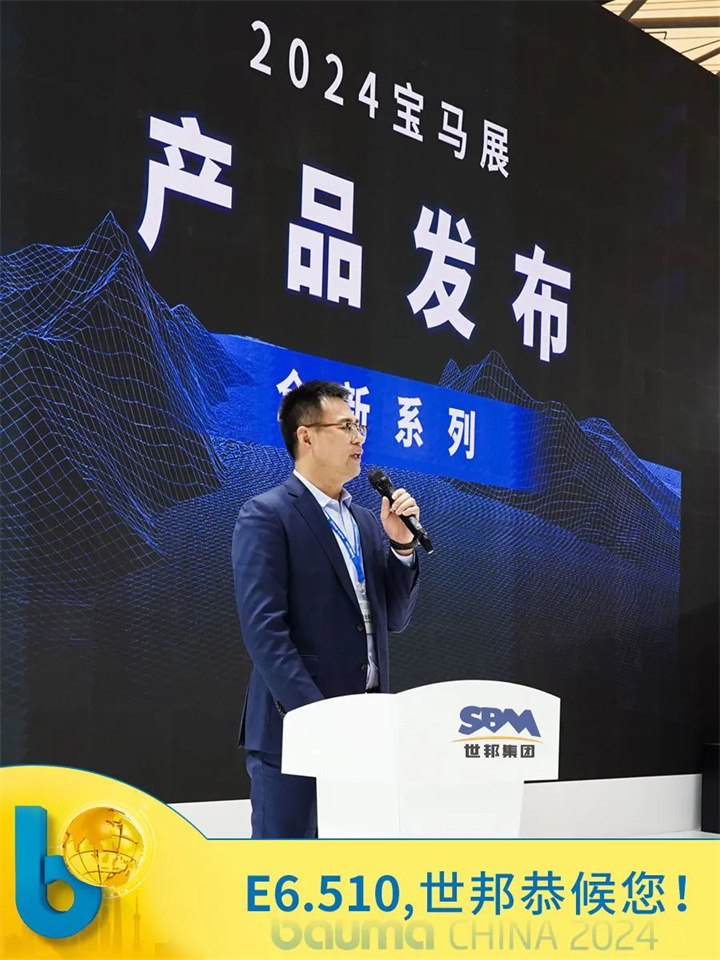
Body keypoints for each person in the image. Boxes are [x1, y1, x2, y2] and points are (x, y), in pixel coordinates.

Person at [232, 380, 421, 838]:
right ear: (307, 436)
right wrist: (318, 721)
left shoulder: (365, 521)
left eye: (359, 427)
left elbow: (393, 619)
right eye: (346, 426)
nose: (359, 438)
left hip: (366, 728)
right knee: (285, 869)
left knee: (349, 871)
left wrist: (401, 548)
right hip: (296, 729)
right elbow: (265, 633)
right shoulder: (267, 514)